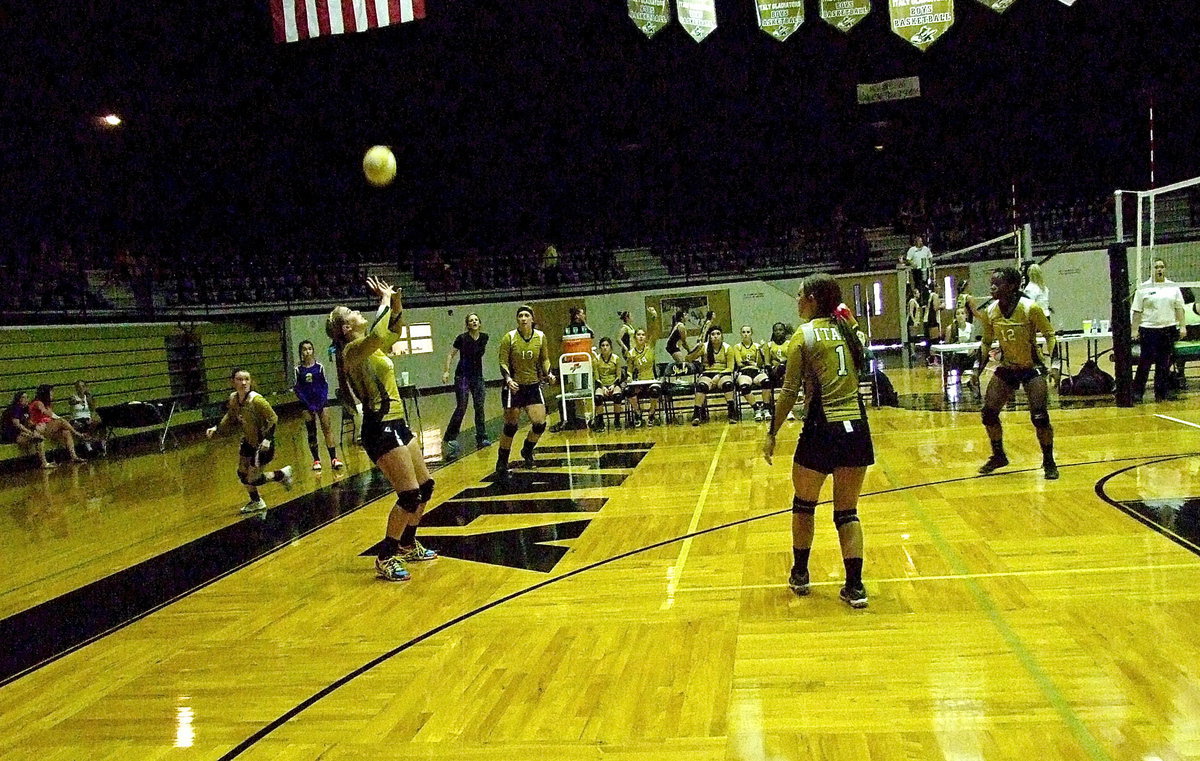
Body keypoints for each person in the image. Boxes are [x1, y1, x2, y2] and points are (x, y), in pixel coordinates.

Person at [762, 273, 873, 609]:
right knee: (847, 512)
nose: (796, 301)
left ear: (812, 299)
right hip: (856, 428)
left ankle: (800, 573)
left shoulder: (805, 334)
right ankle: (855, 587)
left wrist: (771, 433)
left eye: (799, 295)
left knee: (804, 504)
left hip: (821, 429)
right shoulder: (849, 329)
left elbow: (788, 392)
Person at [327, 277, 437, 582]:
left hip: (397, 422)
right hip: (380, 428)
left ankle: (407, 544)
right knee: (409, 495)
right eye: (351, 313)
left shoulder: (371, 347)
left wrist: (396, 300)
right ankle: (385, 557)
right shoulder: (352, 351)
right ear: (346, 328)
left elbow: (394, 331)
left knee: (425, 487)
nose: (357, 312)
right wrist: (384, 300)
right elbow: (378, 331)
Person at [975, 266, 1059, 479]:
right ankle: (999, 455)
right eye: (991, 283)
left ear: (1012, 286)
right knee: (988, 414)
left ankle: (1049, 461)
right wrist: (976, 370)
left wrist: (1055, 365)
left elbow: (1050, 335)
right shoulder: (991, 311)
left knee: (1040, 417)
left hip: (1031, 367)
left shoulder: (1030, 308)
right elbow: (986, 342)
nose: (993, 287)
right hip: (1008, 367)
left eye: (998, 283)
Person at [206, 369, 295, 513]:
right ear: (233, 382)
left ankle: (281, 475)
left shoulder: (257, 400)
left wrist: (267, 438)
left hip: (262, 445)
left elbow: (273, 418)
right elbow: (230, 415)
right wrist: (217, 427)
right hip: (248, 441)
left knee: (253, 479)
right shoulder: (234, 398)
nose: (244, 383)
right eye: (240, 379)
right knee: (242, 473)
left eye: (246, 379)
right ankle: (256, 501)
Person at [495, 304, 555, 484]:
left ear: (532, 319)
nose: (523, 318)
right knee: (511, 426)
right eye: (520, 315)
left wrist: (549, 373)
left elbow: (544, 359)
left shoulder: (540, 337)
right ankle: (502, 462)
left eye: (526, 315)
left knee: (539, 423)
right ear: (517, 319)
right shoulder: (509, 337)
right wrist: (508, 379)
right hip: (514, 386)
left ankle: (527, 449)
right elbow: (503, 361)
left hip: (532, 385)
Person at [1131, 258, 1187, 403]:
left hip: (1168, 329)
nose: (1159, 269)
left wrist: (1182, 326)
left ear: (1165, 269)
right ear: (1151, 270)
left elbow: (1179, 308)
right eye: (1156, 267)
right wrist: (1134, 330)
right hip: (1149, 329)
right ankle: (1137, 392)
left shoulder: (1172, 287)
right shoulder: (1143, 288)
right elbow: (1137, 311)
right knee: (1145, 361)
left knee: (1164, 362)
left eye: (1161, 267)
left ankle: (1161, 393)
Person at [441, 313, 491, 457]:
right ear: (467, 324)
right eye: (471, 320)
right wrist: (446, 371)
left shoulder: (484, 337)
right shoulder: (462, 338)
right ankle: (450, 437)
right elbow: (450, 354)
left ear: (479, 323)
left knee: (479, 406)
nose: (474, 322)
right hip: (462, 376)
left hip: (477, 376)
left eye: (476, 320)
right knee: (462, 406)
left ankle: (482, 437)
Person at [294, 340, 343, 471]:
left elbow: (324, 385)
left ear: (313, 350)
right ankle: (316, 460)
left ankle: (334, 458)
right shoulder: (298, 370)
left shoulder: (320, 367)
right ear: (301, 352)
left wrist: (322, 400)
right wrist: (307, 403)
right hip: (306, 404)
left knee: (327, 428)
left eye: (309, 348)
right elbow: (298, 389)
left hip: (321, 402)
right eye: (304, 349)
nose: (307, 351)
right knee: (312, 432)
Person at [686, 325, 737, 425]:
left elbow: (730, 368)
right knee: (701, 386)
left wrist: (719, 376)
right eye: (713, 334)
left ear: (722, 335)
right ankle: (696, 414)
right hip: (707, 373)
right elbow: (688, 359)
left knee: (728, 384)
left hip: (723, 373)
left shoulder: (728, 348)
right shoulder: (704, 347)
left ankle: (732, 413)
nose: (715, 336)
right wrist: (696, 348)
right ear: (709, 336)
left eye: (718, 334)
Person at [624, 307, 661, 427]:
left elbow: (655, 331)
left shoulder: (650, 347)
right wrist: (629, 377)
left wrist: (654, 317)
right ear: (635, 337)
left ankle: (651, 413)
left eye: (643, 335)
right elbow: (629, 369)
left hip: (651, 380)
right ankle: (638, 413)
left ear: (645, 337)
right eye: (638, 335)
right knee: (628, 391)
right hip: (639, 382)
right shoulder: (631, 353)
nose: (641, 337)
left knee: (655, 391)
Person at [29, 385, 84, 464]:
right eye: (51, 392)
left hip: (49, 427)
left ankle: (74, 456)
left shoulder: (47, 404)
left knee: (66, 432)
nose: (52, 394)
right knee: (61, 421)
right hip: (41, 427)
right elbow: (46, 413)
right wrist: (58, 418)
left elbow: (52, 415)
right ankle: (76, 433)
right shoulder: (38, 403)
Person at [2, 391, 53, 469]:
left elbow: (29, 422)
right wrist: (30, 433)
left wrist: (34, 430)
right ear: (18, 399)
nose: (26, 399)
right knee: (36, 438)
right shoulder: (16, 408)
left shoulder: (26, 409)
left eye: (27, 397)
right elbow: (17, 424)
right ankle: (41, 462)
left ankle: (43, 462)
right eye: (23, 397)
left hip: (21, 432)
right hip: (10, 433)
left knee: (39, 438)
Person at [731, 326, 770, 422]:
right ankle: (756, 408)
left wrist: (761, 351)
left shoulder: (757, 346)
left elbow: (760, 364)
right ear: (741, 334)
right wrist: (752, 363)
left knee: (766, 382)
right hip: (744, 372)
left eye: (748, 332)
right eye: (743, 332)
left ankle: (766, 408)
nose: (746, 334)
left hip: (756, 371)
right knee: (744, 386)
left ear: (751, 333)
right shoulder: (737, 347)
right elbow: (739, 363)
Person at [590, 337, 627, 431]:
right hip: (602, 384)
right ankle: (601, 421)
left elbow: (619, 375)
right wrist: (603, 387)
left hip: (614, 383)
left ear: (611, 347)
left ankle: (617, 420)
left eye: (607, 345)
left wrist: (613, 385)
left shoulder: (616, 358)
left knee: (617, 396)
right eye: (603, 345)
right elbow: (596, 377)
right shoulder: (596, 360)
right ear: (600, 348)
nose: (605, 347)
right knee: (597, 397)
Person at [760, 321, 790, 420]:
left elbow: (791, 360)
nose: (778, 332)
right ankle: (768, 407)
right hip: (774, 372)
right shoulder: (769, 345)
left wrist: (781, 362)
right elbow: (767, 363)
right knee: (778, 370)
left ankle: (787, 409)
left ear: (784, 331)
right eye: (776, 330)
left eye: (780, 330)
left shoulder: (789, 344)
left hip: (787, 371)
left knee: (785, 373)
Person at [68, 380, 105, 455]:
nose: (80, 389)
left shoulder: (87, 398)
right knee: (83, 425)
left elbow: (93, 410)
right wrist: (78, 402)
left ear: (85, 387)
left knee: (101, 424)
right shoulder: (73, 397)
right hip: (76, 420)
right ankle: (88, 447)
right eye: (78, 387)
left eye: (82, 387)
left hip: (87, 419)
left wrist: (92, 418)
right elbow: (71, 402)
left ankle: (102, 444)